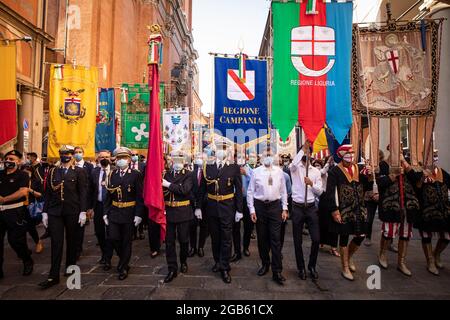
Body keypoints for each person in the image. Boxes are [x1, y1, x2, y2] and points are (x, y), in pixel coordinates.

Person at [39, 146, 88, 289]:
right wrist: (45, 212)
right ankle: (53, 275)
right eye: (62, 153)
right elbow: (48, 192)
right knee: (56, 242)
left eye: (67, 153)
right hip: (55, 211)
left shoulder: (79, 171)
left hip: (72, 210)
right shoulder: (54, 171)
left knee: (72, 241)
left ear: (72, 155)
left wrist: (83, 211)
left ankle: (70, 268)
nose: (64, 156)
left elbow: (83, 192)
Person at [325, 144, 370, 281]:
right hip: (344, 210)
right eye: (348, 154)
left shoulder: (359, 168)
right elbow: (330, 193)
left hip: (359, 209)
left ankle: (349, 257)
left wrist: (370, 176)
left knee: (361, 235)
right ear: (342, 156)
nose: (350, 157)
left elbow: (367, 186)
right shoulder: (334, 171)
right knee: (344, 237)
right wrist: (334, 210)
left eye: (352, 154)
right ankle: (344, 266)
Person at [201, 141, 243, 283]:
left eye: (224, 148)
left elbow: (238, 191)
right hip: (212, 207)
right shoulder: (208, 167)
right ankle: (217, 261)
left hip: (227, 207)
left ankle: (225, 267)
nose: (221, 151)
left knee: (226, 238)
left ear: (228, 151)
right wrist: (198, 207)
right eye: (219, 148)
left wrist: (239, 210)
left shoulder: (234, 167)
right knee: (215, 237)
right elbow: (202, 190)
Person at [247, 149, 288, 285]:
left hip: (275, 207)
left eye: (270, 155)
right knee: (262, 238)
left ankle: (277, 271)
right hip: (260, 208)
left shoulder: (279, 172)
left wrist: (285, 208)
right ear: (261, 157)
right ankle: (265, 264)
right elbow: (250, 192)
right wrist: (252, 210)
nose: (268, 158)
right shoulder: (256, 172)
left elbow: (283, 191)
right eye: (265, 155)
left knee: (276, 239)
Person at [103, 147, 144, 280]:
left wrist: (138, 214)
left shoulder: (136, 174)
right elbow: (108, 195)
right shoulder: (112, 174)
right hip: (114, 212)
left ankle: (124, 266)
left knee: (127, 241)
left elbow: (139, 196)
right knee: (113, 238)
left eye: (124, 158)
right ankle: (123, 259)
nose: (122, 160)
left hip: (129, 212)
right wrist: (105, 212)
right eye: (119, 158)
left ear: (129, 159)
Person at [376, 154, 421, 276]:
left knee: (405, 234)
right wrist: (394, 175)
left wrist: (406, 164)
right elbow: (380, 182)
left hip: (408, 205)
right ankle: (383, 254)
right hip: (391, 205)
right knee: (388, 232)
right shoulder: (383, 165)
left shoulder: (410, 164)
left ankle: (401, 262)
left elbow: (417, 179)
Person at [290, 142, 323, 280]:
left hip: (310, 208)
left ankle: (312, 265)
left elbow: (320, 191)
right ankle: (301, 267)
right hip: (297, 207)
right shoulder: (295, 168)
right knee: (297, 241)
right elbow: (292, 164)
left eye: (309, 152)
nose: (307, 154)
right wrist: (302, 149)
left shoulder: (315, 172)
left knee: (316, 239)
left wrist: (312, 184)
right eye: (305, 152)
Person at [414, 150, 450, 275]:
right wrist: (423, 177)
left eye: (435, 156)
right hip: (426, 211)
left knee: (446, 237)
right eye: (430, 156)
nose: (434, 158)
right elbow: (416, 188)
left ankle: (436, 255)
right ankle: (430, 261)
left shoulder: (442, 172)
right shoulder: (419, 172)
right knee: (426, 236)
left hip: (443, 211)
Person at [0, 150, 34, 279]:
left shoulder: (23, 175)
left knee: (15, 241)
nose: (8, 161)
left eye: (12, 159)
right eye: (7, 158)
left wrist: (4, 199)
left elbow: (22, 192)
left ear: (18, 162)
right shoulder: (0, 174)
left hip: (14, 212)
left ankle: (27, 260)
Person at [162, 151, 194, 283]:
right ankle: (172, 268)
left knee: (184, 240)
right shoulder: (167, 174)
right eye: (175, 160)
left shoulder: (188, 175)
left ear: (184, 161)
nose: (177, 163)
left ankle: (183, 261)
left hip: (183, 211)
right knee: (169, 242)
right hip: (169, 211)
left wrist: (168, 185)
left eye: (180, 160)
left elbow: (184, 190)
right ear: (172, 161)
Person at [90, 150, 115, 270]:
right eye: (101, 157)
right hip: (99, 206)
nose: (104, 159)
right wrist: (90, 207)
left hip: (112, 206)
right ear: (98, 159)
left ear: (110, 158)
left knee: (110, 232)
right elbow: (91, 190)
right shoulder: (94, 171)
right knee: (99, 232)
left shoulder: (115, 170)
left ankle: (108, 257)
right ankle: (104, 253)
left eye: (106, 157)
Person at [315, 157, 340, 257]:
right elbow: (321, 172)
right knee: (323, 222)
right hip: (325, 197)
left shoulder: (337, 170)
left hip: (336, 197)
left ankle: (333, 247)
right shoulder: (324, 171)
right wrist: (328, 162)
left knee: (335, 223)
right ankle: (321, 241)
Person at [73, 146, 94, 261]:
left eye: (79, 152)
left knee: (80, 227)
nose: (77, 154)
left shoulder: (89, 167)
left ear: (83, 153)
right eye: (76, 152)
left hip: (84, 201)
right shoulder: (70, 166)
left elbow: (91, 186)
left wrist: (90, 206)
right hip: (71, 201)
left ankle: (78, 250)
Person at [188, 153, 209, 258]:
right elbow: (189, 189)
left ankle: (201, 246)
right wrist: (195, 203)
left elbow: (207, 191)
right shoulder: (191, 174)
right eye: (198, 158)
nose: (199, 160)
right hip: (193, 204)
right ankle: (193, 247)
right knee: (192, 226)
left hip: (205, 205)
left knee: (204, 227)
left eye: (201, 158)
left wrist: (200, 205)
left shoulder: (208, 174)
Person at [22, 164, 44, 253]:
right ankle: (24, 249)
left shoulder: (36, 181)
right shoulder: (19, 181)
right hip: (19, 206)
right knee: (20, 229)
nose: (25, 174)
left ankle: (38, 242)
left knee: (30, 227)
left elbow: (40, 194)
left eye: (27, 172)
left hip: (30, 206)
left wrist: (30, 190)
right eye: (23, 172)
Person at [130, 150, 146, 240]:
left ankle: (141, 231)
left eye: (136, 154)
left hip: (141, 191)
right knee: (132, 212)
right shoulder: (127, 165)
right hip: (130, 192)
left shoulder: (143, 165)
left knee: (140, 211)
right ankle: (133, 232)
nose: (135, 156)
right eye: (133, 155)